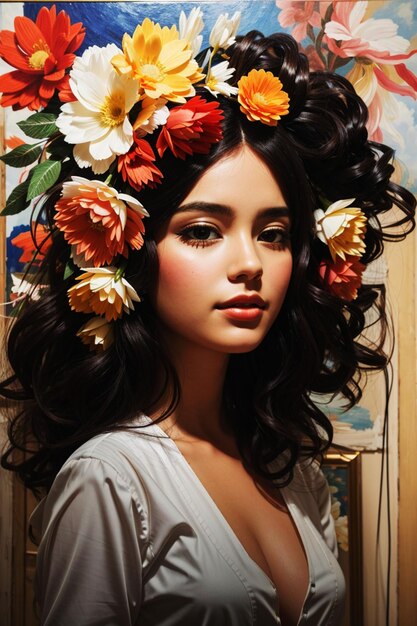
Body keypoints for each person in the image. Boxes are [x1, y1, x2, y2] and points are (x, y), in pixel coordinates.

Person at [0, 5, 415, 626]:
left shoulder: (290, 469)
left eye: (274, 234)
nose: (249, 263)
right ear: (129, 247)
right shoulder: (111, 479)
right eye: (202, 231)